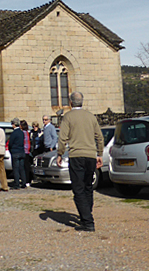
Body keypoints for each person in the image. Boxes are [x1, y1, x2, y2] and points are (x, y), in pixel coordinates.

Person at [57, 91, 104, 232]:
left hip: (76, 155)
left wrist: (60, 153)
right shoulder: (91, 117)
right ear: (82, 102)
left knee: (78, 189)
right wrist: (99, 154)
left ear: (71, 102)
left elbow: (62, 137)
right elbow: (99, 137)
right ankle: (86, 215)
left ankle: (88, 222)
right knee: (88, 187)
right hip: (90, 156)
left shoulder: (68, 117)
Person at [8, 118, 26, 189]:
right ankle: (24, 183)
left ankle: (17, 184)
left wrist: (10, 150)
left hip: (15, 152)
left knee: (15, 169)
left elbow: (10, 143)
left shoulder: (14, 133)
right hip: (21, 151)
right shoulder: (21, 132)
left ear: (14, 124)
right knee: (22, 168)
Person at [21, 120, 33, 186]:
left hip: (25, 150)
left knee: (25, 167)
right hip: (27, 150)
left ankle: (27, 180)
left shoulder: (23, 133)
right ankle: (28, 180)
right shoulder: (27, 132)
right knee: (27, 166)